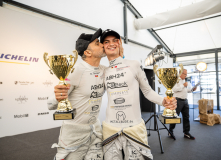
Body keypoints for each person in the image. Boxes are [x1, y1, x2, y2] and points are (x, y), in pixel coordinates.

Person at [100, 29, 177, 160]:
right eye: (106, 41)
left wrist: (164, 101)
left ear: (120, 44)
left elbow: (147, 91)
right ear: (103, 46)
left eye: (115, 40)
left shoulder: (134, 64)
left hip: (134, 128)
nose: (111, 44)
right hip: (110, 129)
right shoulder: (103, 71)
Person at [47, 28, 106, 160]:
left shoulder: (104, 70)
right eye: (97, 43)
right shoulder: (76, 70)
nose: (102, 44)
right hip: (74, 136)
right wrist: (57, 97)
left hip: (95, 132)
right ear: (87, 52)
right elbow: (50, 104)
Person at [169, 69, 197, 140]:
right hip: (178, 100)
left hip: (185, 101)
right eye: (185, 74)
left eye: (186, 74)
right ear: (180, 74)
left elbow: (185, 90)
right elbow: (174, 89)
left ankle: (186, 133)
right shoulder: (175, 80)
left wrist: (192, 90)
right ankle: (170, 131)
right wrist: (182, 85)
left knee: (186, 117)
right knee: (175, 117)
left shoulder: (184, 80)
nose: (186, 75)